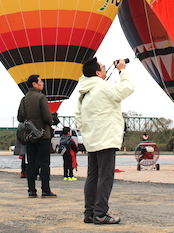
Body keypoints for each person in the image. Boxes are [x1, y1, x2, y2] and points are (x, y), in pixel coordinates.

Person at [75, 57, 134, 224]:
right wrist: (122, 70)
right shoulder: (102, 86)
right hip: (107, 138)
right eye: (103, 67)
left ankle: (90, 212)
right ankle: (101, 213)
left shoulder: (84, 92)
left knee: (92, 176)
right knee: (106, 176)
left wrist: (87, 130)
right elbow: (127, 88)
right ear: (97, 73)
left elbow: (78, 116)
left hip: (92, 139)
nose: (105, 69)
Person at [17, 74, 55, 198]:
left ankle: (31, 191)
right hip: (43, 135)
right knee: (44, 163)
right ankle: (45, 190)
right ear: (34, 84)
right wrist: (51, 121)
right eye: (40, 81)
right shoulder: (41, 97)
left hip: (29, 136)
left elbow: (19, 117)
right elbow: (47, 116)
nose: (43, 83)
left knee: (31, 163)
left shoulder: (24, 99)